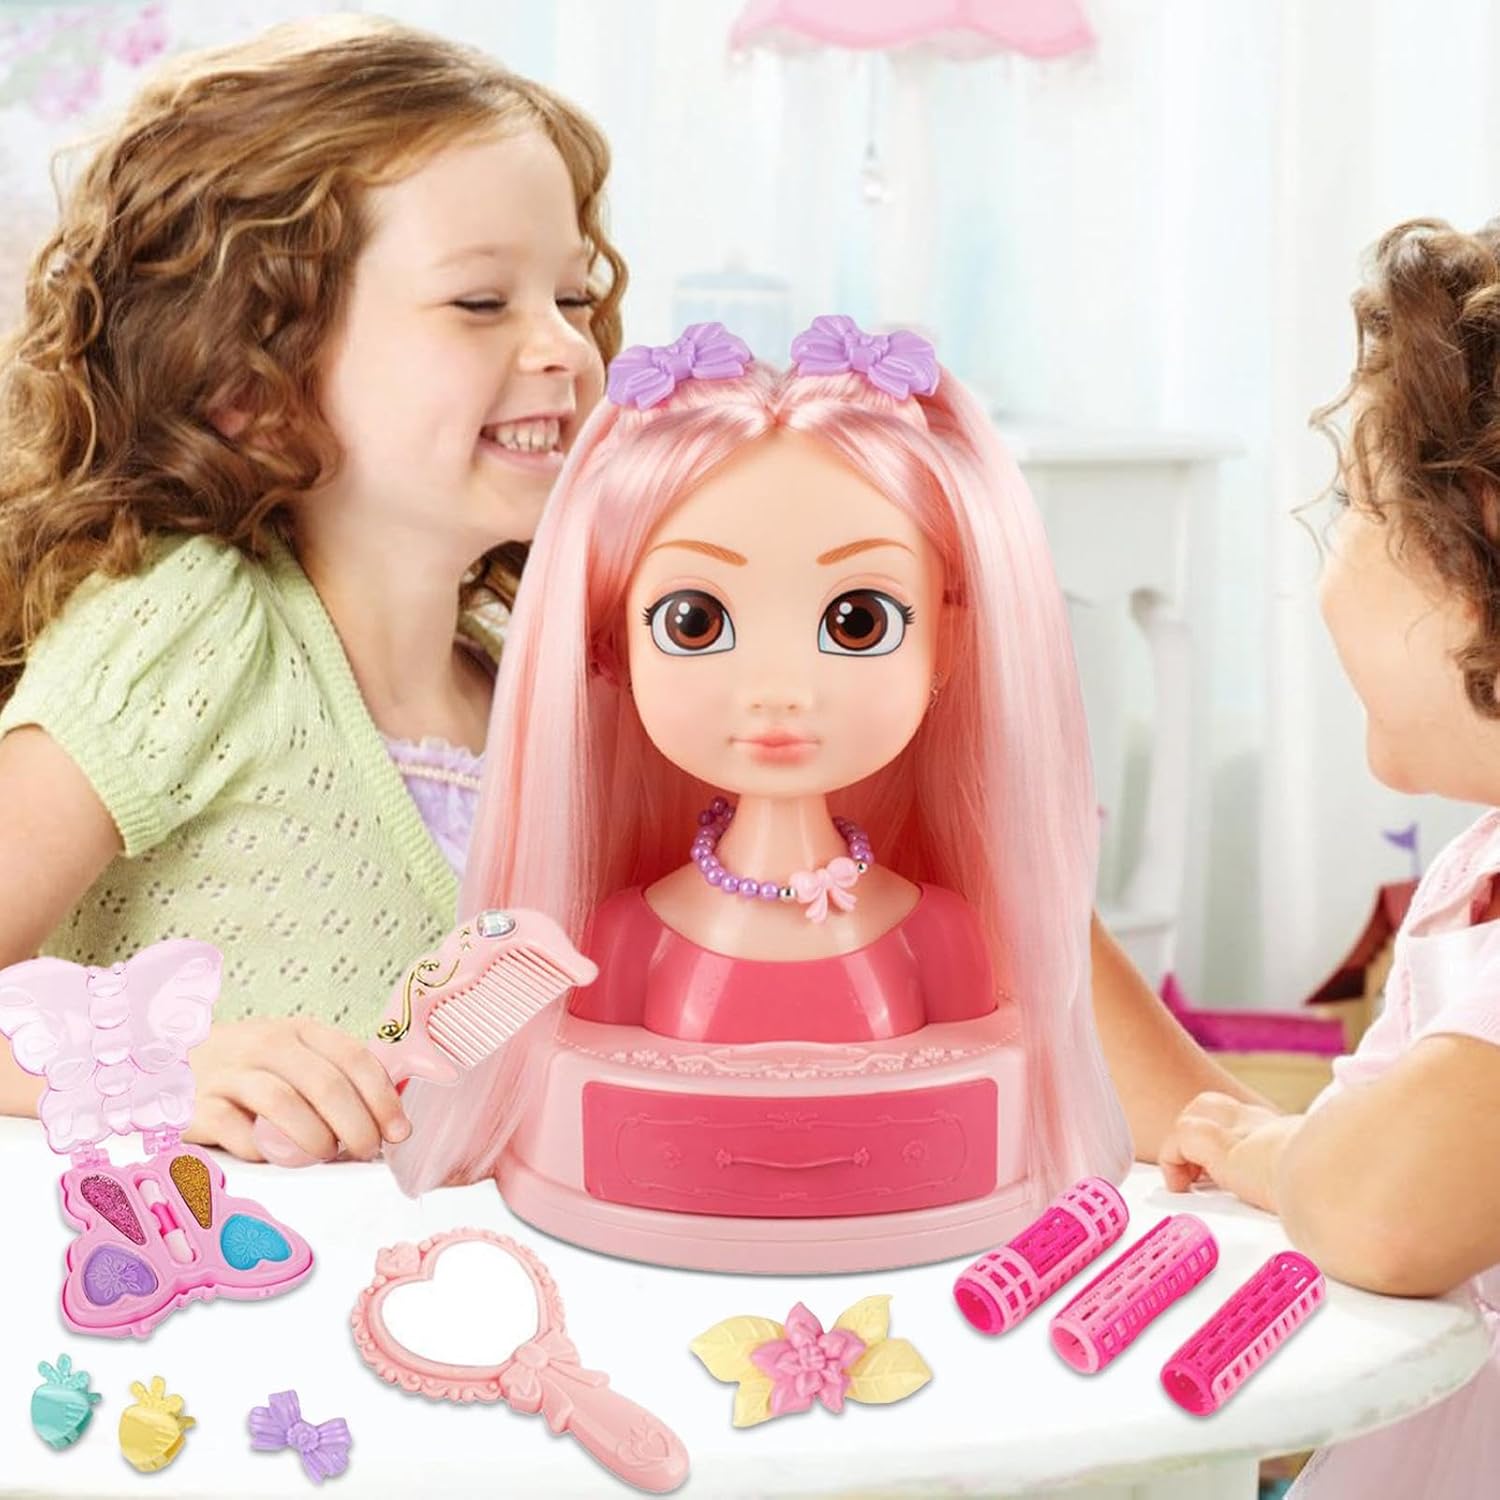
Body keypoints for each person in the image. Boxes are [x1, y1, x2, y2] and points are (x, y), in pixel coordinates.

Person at [0, 16, 626, 1166]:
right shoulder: (192, 636)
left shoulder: (530, 683)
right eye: (480, 303)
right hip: (192, 1276)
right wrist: (151, 1068)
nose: (563, 350)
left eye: (574, 298)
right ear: (250, 380)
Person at [1159, 219, 1500, 1500]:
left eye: (1357, 510)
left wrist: (1272, 1156)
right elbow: (1342, 1149)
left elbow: (1380, 1202)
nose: (1324, 569)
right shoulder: (1473, 875)